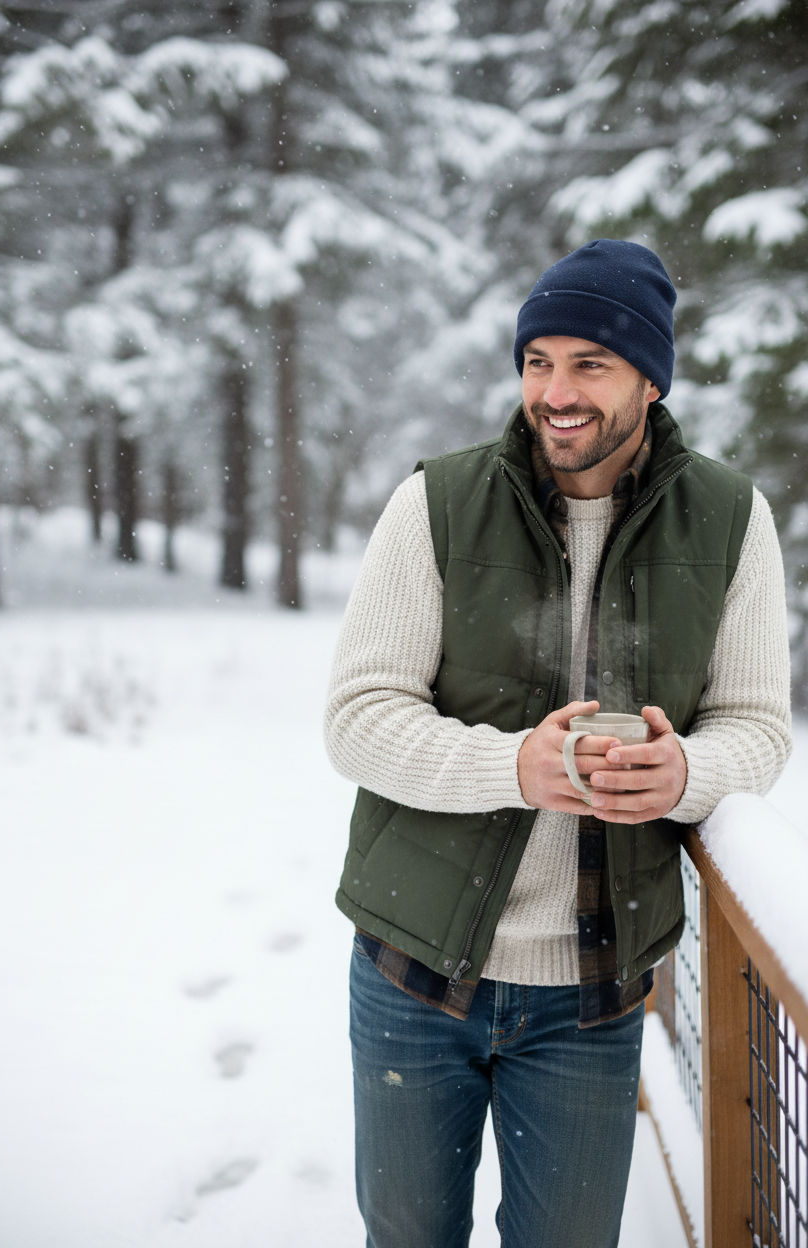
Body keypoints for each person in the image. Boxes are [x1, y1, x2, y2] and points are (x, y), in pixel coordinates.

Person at [324, 238, 791, 1248]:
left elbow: (756, 730)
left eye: (589, 364)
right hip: (415, 976)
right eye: (538, 360)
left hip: (590, 996)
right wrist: (513, 766)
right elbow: (357, 719)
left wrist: (686, 772)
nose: (555, 391)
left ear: (650, 380)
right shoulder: (436, 504)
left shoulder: (727, 519)